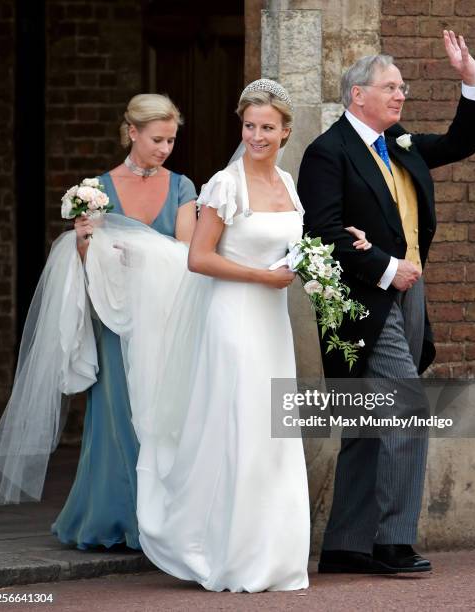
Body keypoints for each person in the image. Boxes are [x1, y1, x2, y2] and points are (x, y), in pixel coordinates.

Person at [297, 31, 475, 574]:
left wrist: (471, 82)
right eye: (390, 86)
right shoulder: (326, 152)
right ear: (357, 95)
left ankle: (345, 545)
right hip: (362, 301)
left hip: (409, 295)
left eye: (402, 86)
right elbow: (322, 233)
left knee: (368, 419)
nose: (400, 94)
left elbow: (458, 145)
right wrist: (385, 267)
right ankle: (390, 540)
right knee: (406, 407)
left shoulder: (398, 142)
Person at [131, 79, 311, 592]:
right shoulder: (224, 184)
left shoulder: (288, 182)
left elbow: (292, 246)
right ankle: (231, 555)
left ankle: (275, 557)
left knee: (273, 432)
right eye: (250, 126)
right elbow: (199, 257)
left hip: (272, 320)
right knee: (243, 427)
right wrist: (263, 277)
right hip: (233, 318)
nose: (257, 135)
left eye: (267, 127)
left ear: (285, 131)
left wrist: (308, 265)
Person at [50, 93, 197, 550]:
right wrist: (82, 242)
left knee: (164, 415)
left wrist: (145, 255)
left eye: (171, 140)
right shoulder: (97, 189)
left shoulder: (182, 187)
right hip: (117, 317)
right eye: (157, 139)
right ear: (132, 132)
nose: (165, 149)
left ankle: (160, 523)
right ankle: (114, 518)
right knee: (117, 414)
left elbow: (188, 253)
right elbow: (87, 258)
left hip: (168, 318)